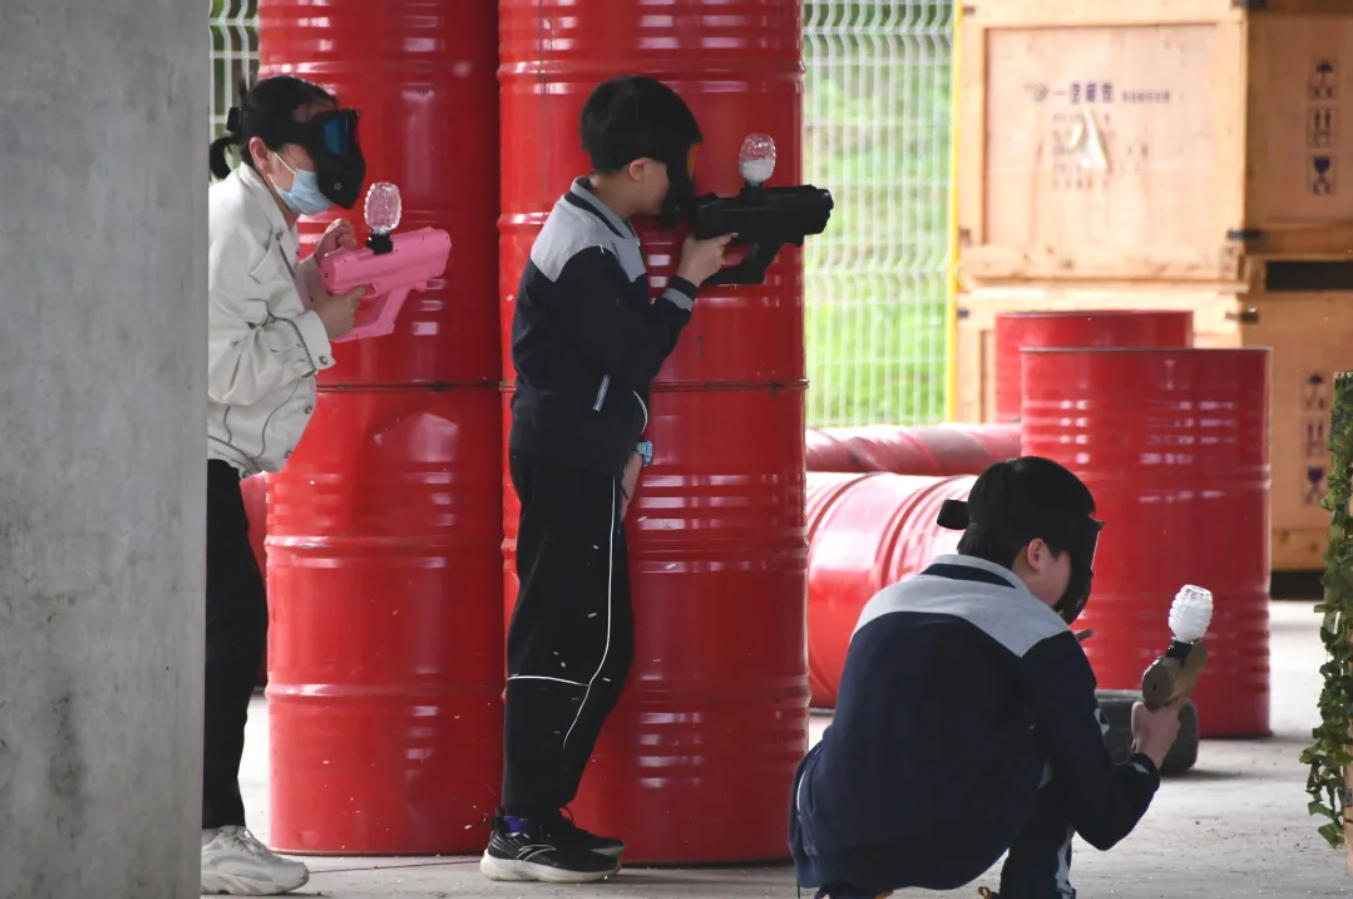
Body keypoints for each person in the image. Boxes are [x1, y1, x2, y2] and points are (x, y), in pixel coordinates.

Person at [479, 74, 734, 884]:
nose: (682, 185)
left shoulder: (601, 227)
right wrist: (688, 278)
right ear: (638, 169)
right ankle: (519, 823)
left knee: (593, 642)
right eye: (676, 167)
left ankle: (536, 814)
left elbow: (606, 369)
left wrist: (629, 449)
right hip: (565, 458)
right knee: (564, 639)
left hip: (583, 455)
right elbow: (632, 353)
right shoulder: (582, 245)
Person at [789, 456, 1183, 899]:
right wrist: (1148, 752)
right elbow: (1103, 816)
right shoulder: (1042, 636)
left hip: (835, 838)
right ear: (1037, 553)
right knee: (1057, 745)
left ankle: (845, 891)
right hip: (945, 846)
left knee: (850, 744)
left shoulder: (884, 604)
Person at [202, 75, 368, 895]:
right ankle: (208, 833)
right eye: (317, 140)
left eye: (340, 134)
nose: (336, 156)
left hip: (212, 461)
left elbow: (249, 313)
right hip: (191, 459)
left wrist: (308, 279)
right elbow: (216, 364)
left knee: (225, 636)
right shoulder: (234, 223)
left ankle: (209, 825)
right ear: (263, 151)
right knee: (227, 636)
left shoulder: (263, 217)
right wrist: (316, 328)